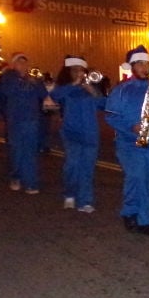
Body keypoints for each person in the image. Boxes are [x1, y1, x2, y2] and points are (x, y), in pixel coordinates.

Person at [104, 46, 149, 235]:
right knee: (136, 177)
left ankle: (143, 218)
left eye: (147, 64)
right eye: (140, 64)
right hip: (129, 142)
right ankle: (132, 213)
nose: (145, 67)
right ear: (133, 66)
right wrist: (131, 128)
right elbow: (111, 116)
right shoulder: (121, 90)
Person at [49, 56, 106, 211]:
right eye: (74, 70)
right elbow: (54, 96)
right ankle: (69, 193)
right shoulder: (66, 89)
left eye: (81, 70)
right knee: (72, 166)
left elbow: (104, 104)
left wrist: (92, 90)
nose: (78, 73)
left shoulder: (91, 88)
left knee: (87, 168)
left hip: (90, 133)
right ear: (69, 73)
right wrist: (74, 84)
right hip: (71, 133)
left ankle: (85, 200)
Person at [0, 52, 48, 193]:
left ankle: (31, 182)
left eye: (25, 63)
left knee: (30, 152)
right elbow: (6, 92)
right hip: (16, 121)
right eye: (20, 62)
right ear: (14, 65)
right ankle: (16, 176)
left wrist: (37, 83)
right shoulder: (8, 78)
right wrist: (22, 80)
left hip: (32, 120)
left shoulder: (34, 79)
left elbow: (44, 95)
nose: (23, 65)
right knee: (17, 151)